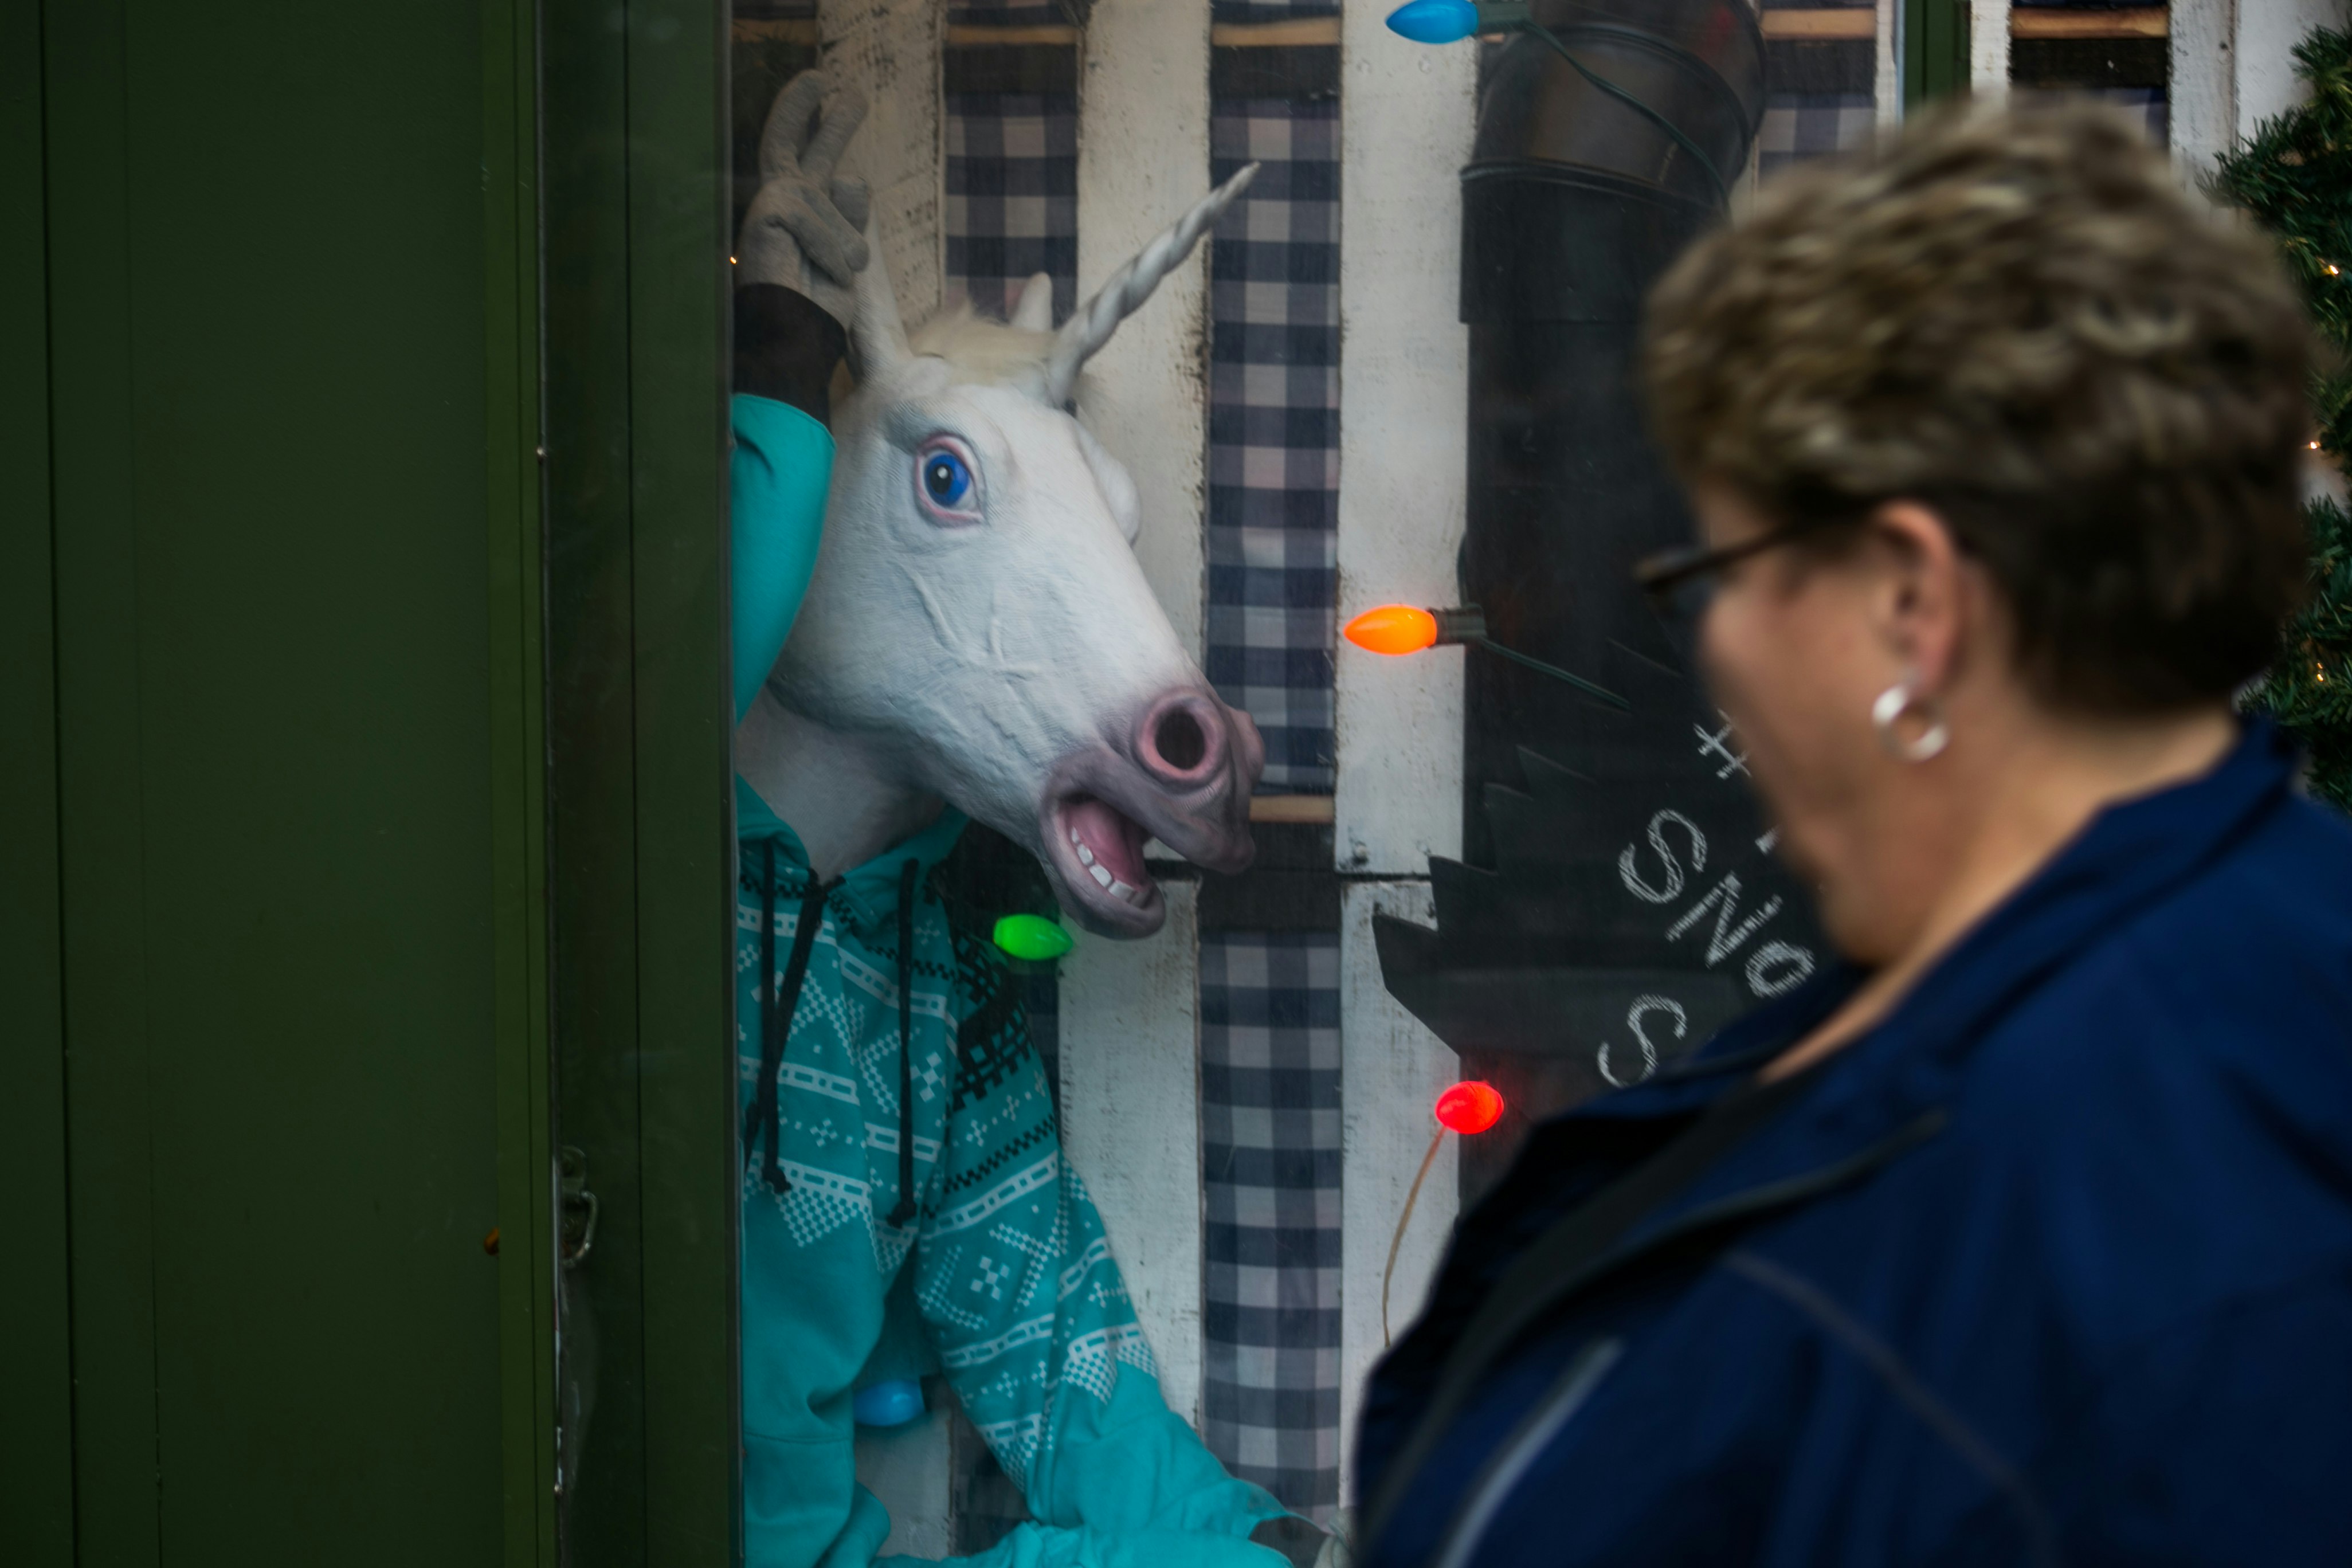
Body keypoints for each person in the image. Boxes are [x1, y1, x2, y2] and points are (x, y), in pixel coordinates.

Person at [1355, 100, 2352, 1566]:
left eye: (1724, 570)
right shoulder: (2174, 967)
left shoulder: (2066, 1220)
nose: (1717, 650)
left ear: (1913, 605)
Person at [729, 72, 1323, 1568]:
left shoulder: (938, 981)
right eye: (942, 478)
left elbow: (1059, 1351)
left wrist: (1250, 1553)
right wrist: (783, 377)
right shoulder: (620, 881)